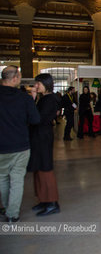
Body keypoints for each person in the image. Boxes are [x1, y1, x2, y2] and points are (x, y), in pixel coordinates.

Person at [0, 66, 40, 222]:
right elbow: (35, 119)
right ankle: (12, 214)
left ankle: (5, 207)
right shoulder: (23, 98)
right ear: (15, 78)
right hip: (20, 145)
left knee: (2, 178)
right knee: (16, 181)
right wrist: (32, 99)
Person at [28, 73, 61, 216]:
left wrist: (32, 99)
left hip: (43, 137)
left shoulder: (50, 99)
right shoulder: (44, 99)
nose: (36, 86)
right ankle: (43, 199)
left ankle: (52, 202)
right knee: (38, 168)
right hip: (38, 137)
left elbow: (37, 119)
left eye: (38, 84)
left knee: (45, 168)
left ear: (46, 84)